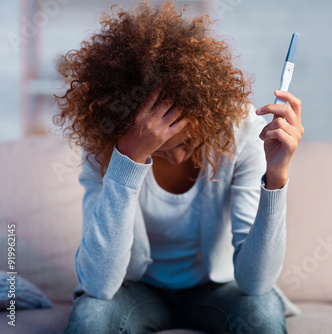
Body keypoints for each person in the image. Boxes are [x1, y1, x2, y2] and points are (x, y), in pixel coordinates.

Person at [56, 1, 303, 333]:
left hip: (216, 291)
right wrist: (127, 161)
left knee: (262, 310)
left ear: (208, 119)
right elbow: (99, 286)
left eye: (189, 142)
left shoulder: (242, 132)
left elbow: (256, 283)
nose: (176, 157)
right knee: (91, 315)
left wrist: (276, 177)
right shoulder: (106, 145)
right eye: (160, 150)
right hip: (137, 291)